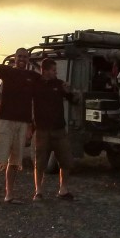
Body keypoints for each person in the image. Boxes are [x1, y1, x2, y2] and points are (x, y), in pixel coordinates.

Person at [0, 38, 40, 206]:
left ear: (28, 60)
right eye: (19, 56)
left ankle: (9, 195)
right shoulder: (7, 72)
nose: (22, 59)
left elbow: (45, 83)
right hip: (4, 121)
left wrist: (30, 125)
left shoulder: (32, 77)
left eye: (25, 57)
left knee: (15, 161)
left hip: (22, 124)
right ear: (15, 58)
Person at [32, 58, 76, 201]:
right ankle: (38, 191)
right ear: (45, 71)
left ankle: (63, 190)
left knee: (66, 160)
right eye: (53, 70)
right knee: (40, 162)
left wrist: (70, 92)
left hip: (59, 130)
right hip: (42, 130)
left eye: (56, 70)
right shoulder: (36, 84)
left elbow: (73, 100)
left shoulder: (59, 84)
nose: (56, 73)